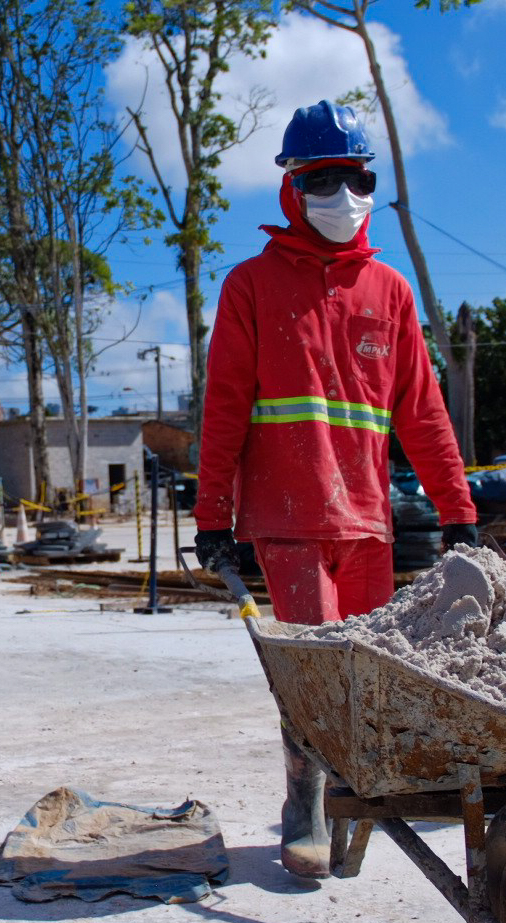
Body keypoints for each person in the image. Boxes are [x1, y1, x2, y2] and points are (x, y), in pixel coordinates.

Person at [192, 101, 478, 880]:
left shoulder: (387, 291)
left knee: (362, 669)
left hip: (366, 521)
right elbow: (222, 409)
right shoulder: (248, 287)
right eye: (323, 178)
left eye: (354, 178)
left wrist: (457, 510)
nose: (341, 193)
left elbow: (421, 408)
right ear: (290, 185)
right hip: (286, 518)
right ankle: (304, 798)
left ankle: (355, 786)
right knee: (314, 667)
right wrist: (212, 513)